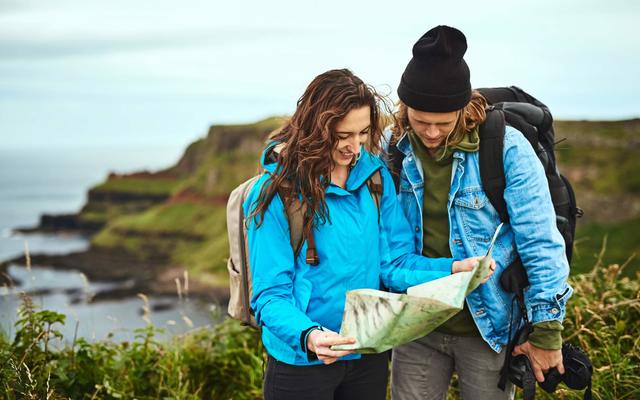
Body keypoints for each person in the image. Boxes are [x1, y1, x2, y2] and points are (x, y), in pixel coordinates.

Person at [244, 68, 493, 400]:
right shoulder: (274, 194)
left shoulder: (375, 180)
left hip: (367, 354)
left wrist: (451, 269)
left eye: (363, 133)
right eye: (343, 135)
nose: (355, 147)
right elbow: (269, 295)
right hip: (301, 363)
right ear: (315, 129)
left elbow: (393, 265)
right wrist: (310, 336)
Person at [388, 26, 573, 400]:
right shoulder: (391, 149)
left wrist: (547, 331)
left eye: (444, 122)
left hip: (489, 326)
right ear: (404, 108)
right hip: (416, 325)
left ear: (463, 107)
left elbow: (540, 241)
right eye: (422, 121)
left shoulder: (507, 149)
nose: (433, 133)